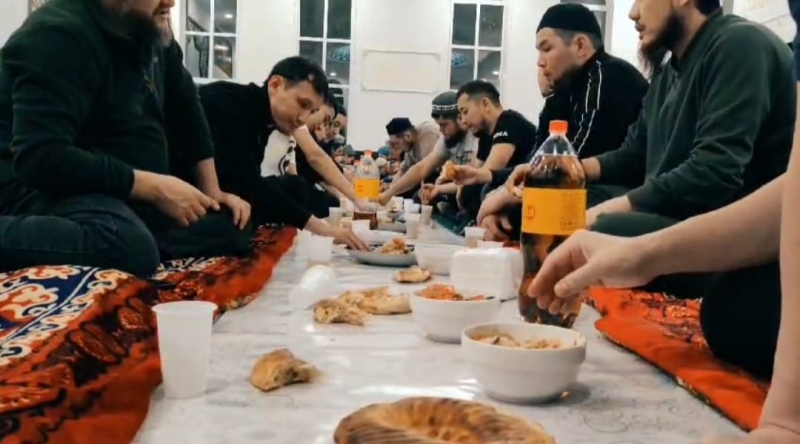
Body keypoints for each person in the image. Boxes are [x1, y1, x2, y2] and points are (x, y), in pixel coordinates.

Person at [488, 0, 794, 295]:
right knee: (551, 209)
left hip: (725, 236)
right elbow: (633, 155)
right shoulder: (667, 73)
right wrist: (561, 169)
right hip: (670, 217)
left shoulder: (739, 45)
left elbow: (712, 174)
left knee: (603, 227)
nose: (633, 13)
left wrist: (592, 215)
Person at [0, 0, 252, 277]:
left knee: (232, 226)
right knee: (127, 246)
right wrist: (153, 187)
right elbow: (40, 158)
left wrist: (212, 191)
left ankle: (131, 234)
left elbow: (185, 106)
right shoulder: (58, 35)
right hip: (38, 186)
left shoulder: (148, 28)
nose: (170, 2)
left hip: (112, 187)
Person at [198, 56, 367, 250]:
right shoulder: (227, 102)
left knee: (292, 187)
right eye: (302, 104)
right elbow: (244, 182)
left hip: (222, 192)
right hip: (185, 196)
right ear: (275, 85)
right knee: (236, 229)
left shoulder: (264, 120)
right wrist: (320, 227)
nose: (303, 118)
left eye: (312, 111)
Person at [452, 80, 538, 219]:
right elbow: (473, 174)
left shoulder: (510, 122)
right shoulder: (485, 135)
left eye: (465, 112)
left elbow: (488, 173)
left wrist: (465, 186)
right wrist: (439, 188)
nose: (463, 120)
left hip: (525, 189)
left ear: (485, 104)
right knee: (466, 190)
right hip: (505, 184)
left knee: (480, 190)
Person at [377, 91, 479, 206]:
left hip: (475, 191)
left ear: (460, 118)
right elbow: (422, 168)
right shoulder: (447, 138)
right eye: (439, 124)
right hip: (457, 185)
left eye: (444, 125)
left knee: (467, 192)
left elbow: (474, 180)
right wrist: (388, 194)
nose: (440, 130)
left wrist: (439, 188)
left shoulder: (476, 137)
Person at [384, 117, 440, 198]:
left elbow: (425, 169)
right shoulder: (410, 143)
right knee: (397, 190)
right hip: (425, 173)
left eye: (397, 143)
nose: (396, 147)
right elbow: (404, 170)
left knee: (416, 196)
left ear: (407, 136)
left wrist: (392, 192)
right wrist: (391, 188)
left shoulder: (428, 132)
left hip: (440, 174)